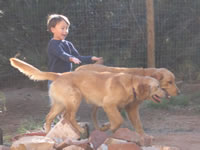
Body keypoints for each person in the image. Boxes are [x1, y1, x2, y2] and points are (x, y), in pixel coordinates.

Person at [46, 14, 102, 103]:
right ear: (53, 29)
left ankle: (64, 117)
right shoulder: (53, 44)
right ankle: (57, 117)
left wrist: (91, 58)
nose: (65, 31)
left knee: (67, 101)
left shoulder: (68, 44)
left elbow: (78, 57)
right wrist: (71, 58)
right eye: (62, 28)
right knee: (57, 103)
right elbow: (61, 54)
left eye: (67, 28)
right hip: (55, 79)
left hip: (67, 78)